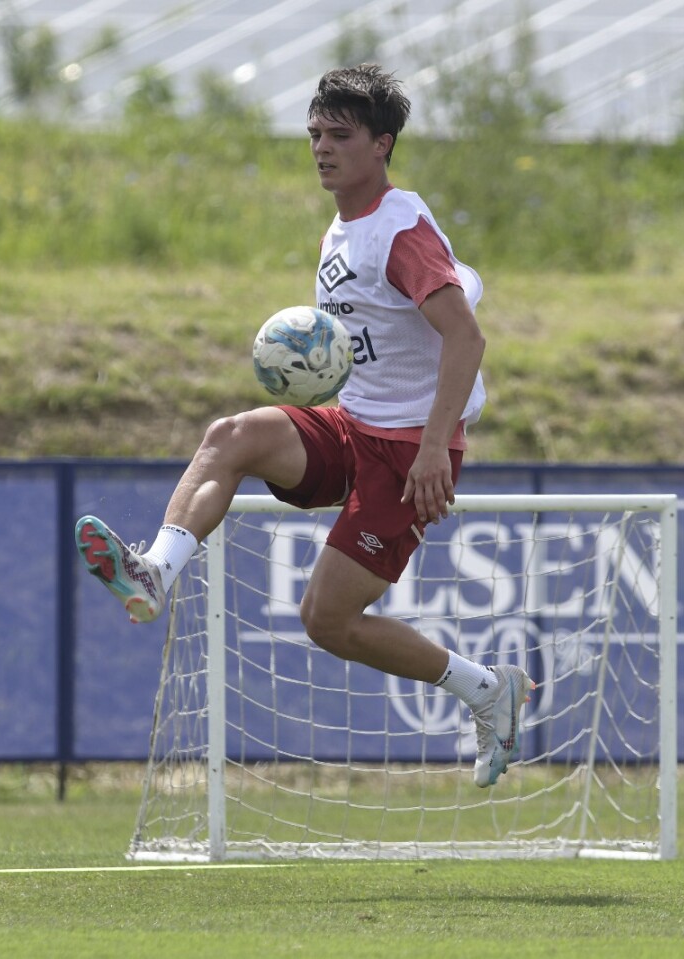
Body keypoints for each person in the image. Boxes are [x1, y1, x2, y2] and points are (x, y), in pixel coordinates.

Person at [75, 64, 532, 788]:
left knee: (326, 620)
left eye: (340, 135)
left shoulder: (398, 230)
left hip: (412, 451)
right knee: (232, 436)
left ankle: (485, 689)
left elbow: (466, 338)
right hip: (353, 424)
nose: (322, 147)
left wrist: (436, 449)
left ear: (381, 144)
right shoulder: (343, 228)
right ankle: (154, 573)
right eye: (315, 133)